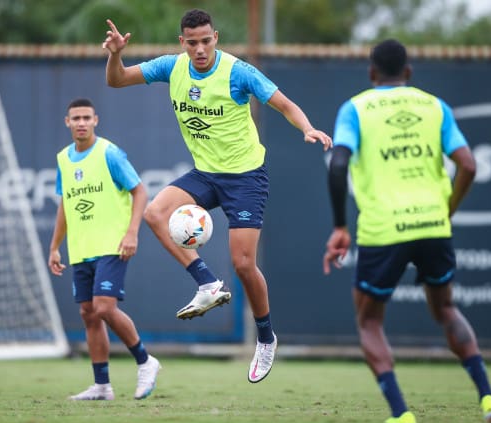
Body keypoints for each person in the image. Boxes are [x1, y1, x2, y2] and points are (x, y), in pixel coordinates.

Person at [103, 8, 332, 383]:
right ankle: (207, 283)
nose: (199, 49)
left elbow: (284, 104)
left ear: (216, 38)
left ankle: (265, 337)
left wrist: (307, 128)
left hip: (245, 177)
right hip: (206, 174)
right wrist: (115, 54)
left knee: (243, 265)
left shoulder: (238, 71)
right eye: (191, 43)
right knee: (155, 214)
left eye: (205, 41)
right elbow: (117, 81)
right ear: (182, 42)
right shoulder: (171, 67)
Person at [322, 39, 491, 423]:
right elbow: (469, 165)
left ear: (372, 74)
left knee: (369, 323)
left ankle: (401, 414)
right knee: (445, 309)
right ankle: (490, 399)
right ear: (408, 72)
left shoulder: (355, 108)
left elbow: (337, 166)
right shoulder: (434, 106)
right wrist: (446, 211)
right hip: (432, 225)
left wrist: (340, 226)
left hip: (383, 230)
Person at [48, 98, 160, 401]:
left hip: (113, 244)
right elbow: (66, 203)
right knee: (88, 313)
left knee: (104, 307)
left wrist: (132, 233)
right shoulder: (63, 159)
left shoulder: (108, 152)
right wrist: (55, 246)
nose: (81, 123)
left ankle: (146, 361)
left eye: (86, 117)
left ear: (95, 120)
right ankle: (101, 385)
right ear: (67, 123)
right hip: (81, 248)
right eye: (76, 118)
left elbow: (140, 190)